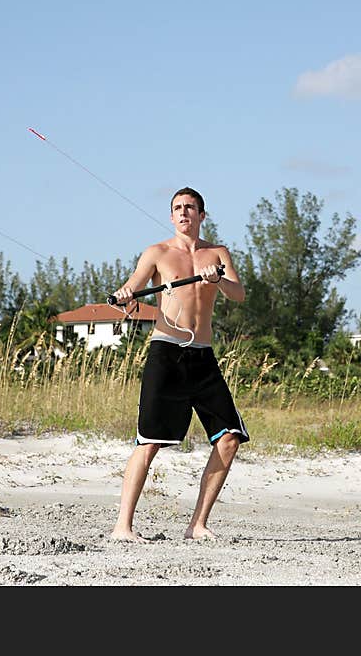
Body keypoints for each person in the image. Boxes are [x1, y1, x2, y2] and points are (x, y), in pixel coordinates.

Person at [109, 186, 249, 541]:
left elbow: (239, 294)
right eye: (178, 208)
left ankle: (197, 524)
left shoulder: (217, 254)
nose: (184, 212)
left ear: (202, 215)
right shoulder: (157, 253)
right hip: (166, 352)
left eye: (190, 207)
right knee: (149, 442)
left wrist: (218, 279)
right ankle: (122, 527)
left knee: (229, 439)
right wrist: (125, 295)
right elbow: (130, 290)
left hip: (203, 356)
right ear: (172, 217)